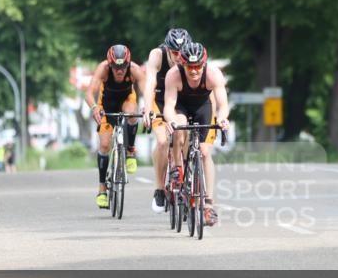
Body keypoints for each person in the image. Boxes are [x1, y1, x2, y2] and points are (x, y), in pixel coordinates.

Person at [163, 41, 230, 226]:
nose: (193, 71)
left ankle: (208, 205)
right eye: (189, 67)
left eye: (197, 66)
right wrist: (172, 121)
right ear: (182, 64)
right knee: (180, 126)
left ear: (204, 64)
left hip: (203, 108)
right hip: (181, 107)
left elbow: (223, 105)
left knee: (205, 152)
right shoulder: (173, 75)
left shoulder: (213, 74)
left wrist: (223, 119)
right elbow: (169, 107)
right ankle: (177, 168)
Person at [85, 44, 148, 209]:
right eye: (116, 67)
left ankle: (130, 150)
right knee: (105, 145)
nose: (119, 71)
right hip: (106, 104)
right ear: (110, 64)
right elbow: (89, 93)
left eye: (123, 66)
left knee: (132, 114)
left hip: (127, 99)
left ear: (128, 64)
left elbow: (148, 91)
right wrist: (94, 108)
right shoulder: (103, 69)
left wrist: (147, 108)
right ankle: (102, 189)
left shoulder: (134, 70)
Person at [142, 27, 192, 213]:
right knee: (163, 141)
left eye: (182, 52)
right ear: (167, 48)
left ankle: (186, 175)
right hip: (159, 101)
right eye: (175, 52)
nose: (179, 56)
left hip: (179, 102)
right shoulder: (157, 55)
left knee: (182, 134)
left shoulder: (191, 57)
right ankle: (159, 189)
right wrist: (147, 109)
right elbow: (150, 83)